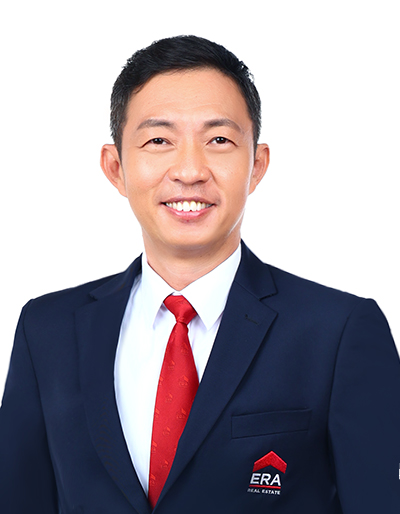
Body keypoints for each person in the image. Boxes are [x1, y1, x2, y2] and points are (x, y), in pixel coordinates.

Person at [1, 35, 399, 514]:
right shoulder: (47, 329)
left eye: (219, 140)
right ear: (116, 167)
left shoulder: (339, 331)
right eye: (159, 140)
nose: (189, 170)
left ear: (257, 165)